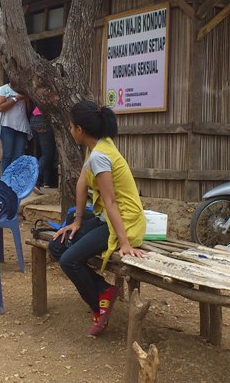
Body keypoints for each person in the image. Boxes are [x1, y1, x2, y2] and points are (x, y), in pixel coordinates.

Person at [48, 100, 147, 336]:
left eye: (71, 126)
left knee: (68, 260)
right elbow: (82, 184)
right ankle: (103, 288)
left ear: (80, 130)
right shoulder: (96, 147)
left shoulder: (100, 156)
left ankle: (99, 302)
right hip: (107, 218)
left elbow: (110, 201)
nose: (70, 130)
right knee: (57, 245)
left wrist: (124, 243)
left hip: (124, 222)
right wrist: (77, 222)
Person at [0, 79, 31, 173]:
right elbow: (0, 107)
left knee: (19, 156)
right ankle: (5, 179)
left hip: (21, 126)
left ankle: (16, 179)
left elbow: (28, 111)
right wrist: (16, 99)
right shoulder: (4, 89)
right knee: (7, 155)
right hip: (7, 125)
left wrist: (27, 101)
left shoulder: (24, 90)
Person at [30, 106, 58, 189]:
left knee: (45, 153)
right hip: (43, 119)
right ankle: (35, 181)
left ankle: (47, 181)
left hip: (34, 118)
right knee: (47, 154)